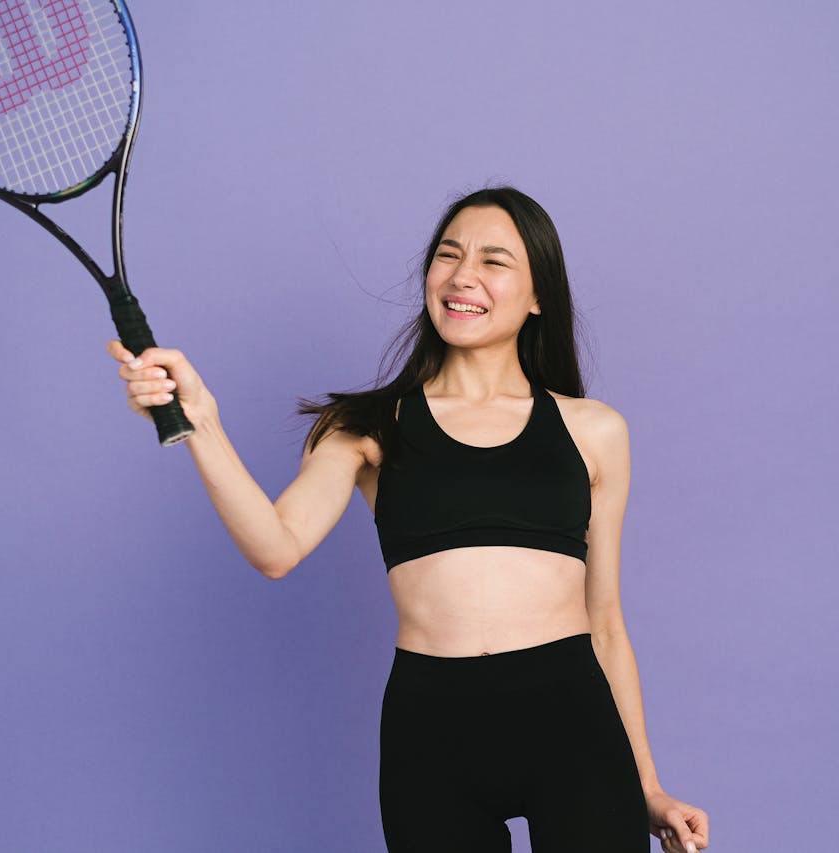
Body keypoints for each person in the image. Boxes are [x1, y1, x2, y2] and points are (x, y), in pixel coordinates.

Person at [108, 186, 709, 853]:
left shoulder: (594, 431)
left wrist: (648, 787)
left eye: (493, 260)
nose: (463, 276)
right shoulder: (365, 427)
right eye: (448, 255)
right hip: (432, 733)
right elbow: (276, 547)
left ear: (539, 294)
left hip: (574, 726)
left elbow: (607, 623)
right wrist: (202, 423)